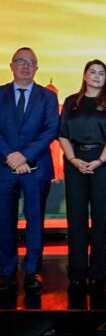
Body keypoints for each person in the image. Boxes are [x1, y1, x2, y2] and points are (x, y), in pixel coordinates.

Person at [59, 60, 106, 289]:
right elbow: (62, 134)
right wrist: (73, 159)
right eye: (92, 72)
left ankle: (97, 271)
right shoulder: (71, 102)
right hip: (74, 161)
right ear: (85, 75)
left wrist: (100, 160)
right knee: (76, 217)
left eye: (101, 73)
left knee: (101, 218)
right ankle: (77, 271)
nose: (97, 76)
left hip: (103, 162)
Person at [0, 47, 58, 290]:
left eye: (31, 62)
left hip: (36, 169)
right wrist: (10, 156)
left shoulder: (47, 97)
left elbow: (51, 129)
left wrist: (24, 156)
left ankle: (33, 271)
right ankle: (6, 271)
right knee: (4, 221)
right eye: (21, 61)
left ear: (37, 68)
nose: (25, 66)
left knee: (35, 221)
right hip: (4, 168)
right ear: (12, 65)